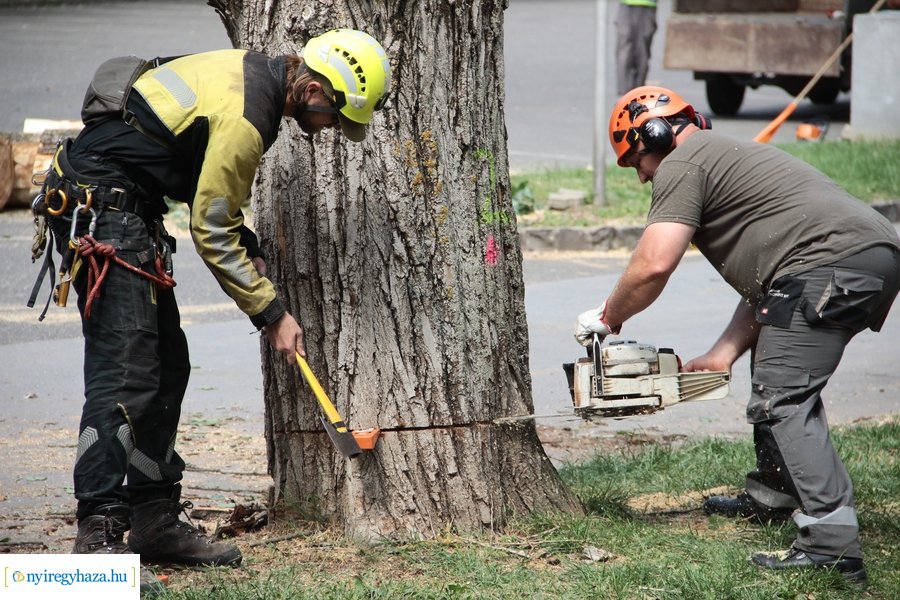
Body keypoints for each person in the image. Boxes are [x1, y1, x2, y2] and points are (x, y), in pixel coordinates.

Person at [35, 28, 390, 591]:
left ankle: (152, 521)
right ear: (315, 88)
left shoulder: (256, 79)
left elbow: (200, 186)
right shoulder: (251, 116)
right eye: (334, 114)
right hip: (103, 215)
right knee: (126, 377)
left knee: (166, 369)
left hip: (127, 212)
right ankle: (96, 540)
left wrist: (245, 247)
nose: (329, 130)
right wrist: (272, 313)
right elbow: (211, 230)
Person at [575, 85, 899, 584]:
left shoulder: (684, 163)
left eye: (635, 159)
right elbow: (770, 292)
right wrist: (721, 353)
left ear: (654, 132)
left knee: (783, 398)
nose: (641, 175)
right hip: (855, 258)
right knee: (773, 365)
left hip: (833, 263)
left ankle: (832, 547)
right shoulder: (721, 156)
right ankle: (777, 494)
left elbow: (654, 264)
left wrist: (610, 316)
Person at [615, 0, 658, 96]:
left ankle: (638, 96)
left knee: (642, 54)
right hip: (626, 4)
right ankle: (624, 97)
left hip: (647, 4)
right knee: (624, 53)